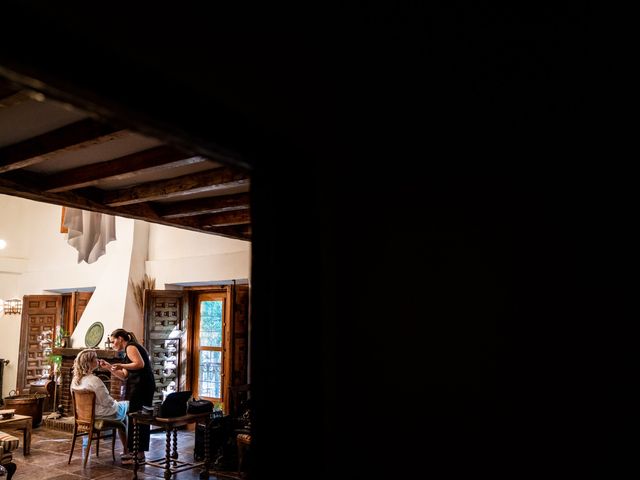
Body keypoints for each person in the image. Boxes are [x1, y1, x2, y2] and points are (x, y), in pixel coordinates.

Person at [106, 329, 155, 464]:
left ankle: (138, 455)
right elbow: (124, 375)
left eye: (113, 341)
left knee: (138, 418)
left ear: (121, 338)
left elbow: (140, 364)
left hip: (142, 387)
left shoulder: (131, 347)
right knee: (135, 418)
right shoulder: (127, 351)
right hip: (138, 386)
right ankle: (137, 453)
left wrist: (121, 364)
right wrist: (109, 367)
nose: (112, 344)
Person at [70, 349, 130, 458]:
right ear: (89, 362)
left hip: (84, 418)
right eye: (95, 358)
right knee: (128, 406)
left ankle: (127, 449)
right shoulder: (95, 380)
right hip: (101, 416)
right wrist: (116, 402)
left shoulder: (75, 380)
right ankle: (129, 450)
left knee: (122, 410)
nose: (98, 360)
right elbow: (107, 402)